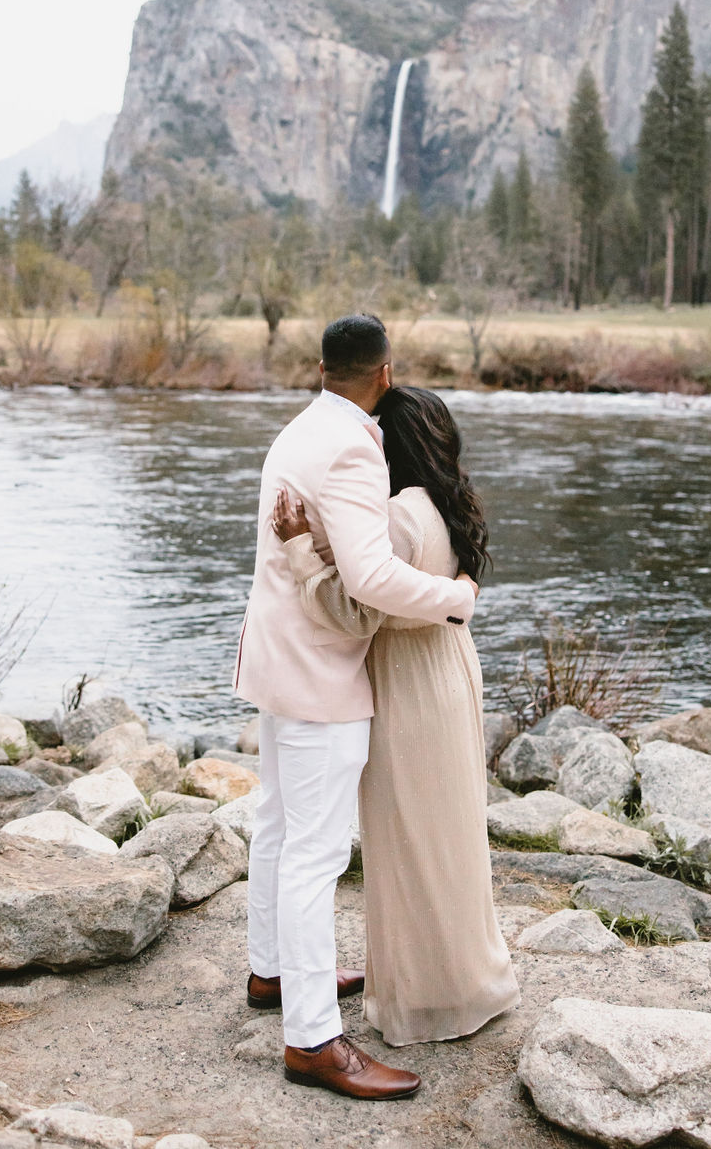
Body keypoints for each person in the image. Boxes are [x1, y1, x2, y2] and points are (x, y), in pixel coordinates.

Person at [234, 314, 478, 1100]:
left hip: (275, 660)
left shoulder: (298, 429)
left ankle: (272, 971)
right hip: (321, 674)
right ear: (384, 372)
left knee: (276, 827)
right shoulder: (353, 445)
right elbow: (371, 580)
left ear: (320, 367)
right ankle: (312, 1041)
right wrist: (452, 598)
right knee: (314, 854)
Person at [272, 385, 519, 1047]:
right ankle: (469, 977)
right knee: (452, 833)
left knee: (408, 840)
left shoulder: (398, 515)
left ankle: (422, 997)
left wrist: (300, 550)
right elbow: (393, 582)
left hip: (409, 684)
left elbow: (356, 609)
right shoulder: (448, 502)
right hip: (451, 667)